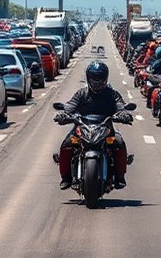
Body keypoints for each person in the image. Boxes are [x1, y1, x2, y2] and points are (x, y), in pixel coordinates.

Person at [55, 61, 133, 190]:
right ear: (88, 78)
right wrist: (63, 114)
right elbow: (70, 106)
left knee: (119, 143)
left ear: (106, 78)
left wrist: (123, 114)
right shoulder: (81, 94)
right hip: (82, 126)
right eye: (94, 79)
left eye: (100, 79)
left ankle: (119, 176)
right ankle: (66, 177)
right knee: (67, 144)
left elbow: (120, 106)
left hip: (105, 127)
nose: (97, 83)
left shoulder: (112, 94)